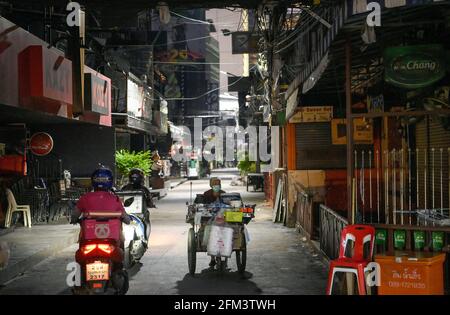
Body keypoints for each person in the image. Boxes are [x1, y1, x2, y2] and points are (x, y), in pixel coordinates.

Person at [72, 167, 131, 245]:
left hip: (88, 241)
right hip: (112, 242)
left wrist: (74, 220)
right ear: (110, 181)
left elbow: (75, 214)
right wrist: (127, 220)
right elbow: (126, 218)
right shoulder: (115, 199)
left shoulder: (85, 198)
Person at [203, 177, 226, 268]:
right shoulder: (207, 194)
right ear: (211, 185)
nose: (217, 185)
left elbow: (228, 205)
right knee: (210, 232)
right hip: (210, 218)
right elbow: (204, 207)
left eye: (218, 183)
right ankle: (212, 258)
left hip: (222, 218)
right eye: (215, 184)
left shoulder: (223, 194)